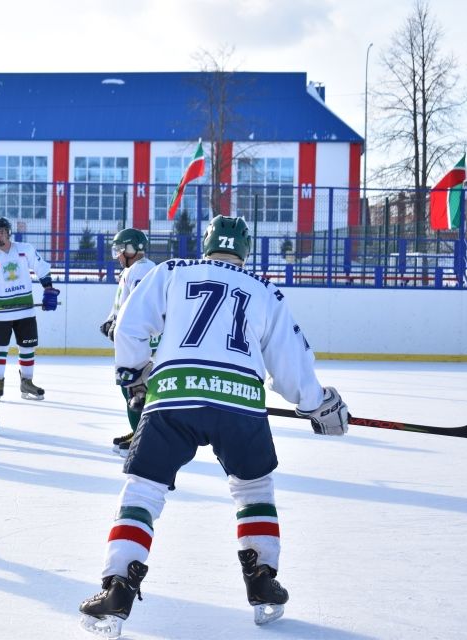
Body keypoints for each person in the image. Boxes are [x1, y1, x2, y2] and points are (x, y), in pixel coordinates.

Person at [78, 215, 349, 636]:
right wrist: (318, 404)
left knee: (143, 489)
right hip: (240, 404)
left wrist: (134, 372)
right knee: (254, 488)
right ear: (245, 248)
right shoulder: (264, 290)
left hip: (172, 397)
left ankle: (118, 586)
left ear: (206, 244)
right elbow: (291, 363)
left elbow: (130, 324)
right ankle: (262, 582)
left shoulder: (170, 271)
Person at [0, 216, 59, 400]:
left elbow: (41, 268)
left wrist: (48, 289)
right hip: (0, 311)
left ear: (8, 232)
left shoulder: (25, 249)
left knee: (27, 347)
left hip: (25, 310)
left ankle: (26, 382)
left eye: (0, 231)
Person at [100, 228, 157, 456]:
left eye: (120, 250)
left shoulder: (143, 271)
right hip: (131, 338)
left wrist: (121, 324)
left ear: (131, 249)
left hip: (139, 341)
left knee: (136, 388)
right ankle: (138, 432)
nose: (118, 255)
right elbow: (124, 302)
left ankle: (143, 438)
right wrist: (111, 319)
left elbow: (141, 306)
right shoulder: (134, 269)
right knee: (130, 387)